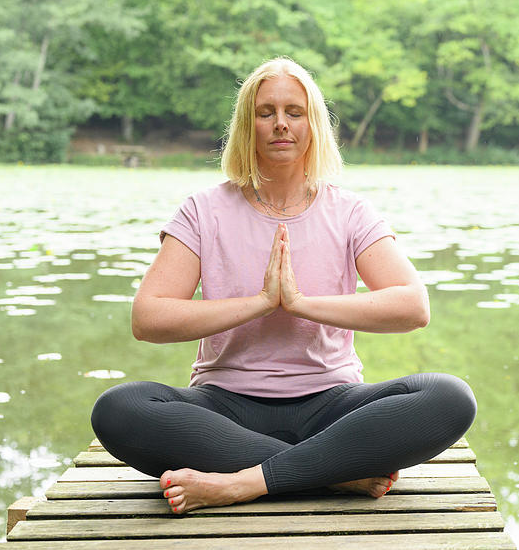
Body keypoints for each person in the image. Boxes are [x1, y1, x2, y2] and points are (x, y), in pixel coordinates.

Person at [90, 57, 477, 515]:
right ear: (246, 124)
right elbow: (148, 318)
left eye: (294, 112)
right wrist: (258, 303)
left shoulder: (350, 211)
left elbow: (413, 306)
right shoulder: (203, 210)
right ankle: (334, 475)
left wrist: (299, 304)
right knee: (118, 408)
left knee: (449, 397)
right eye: (265, 112)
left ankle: (242, 482)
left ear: (313, 124)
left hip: (333, 407)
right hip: (224, 408)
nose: (280, 125)